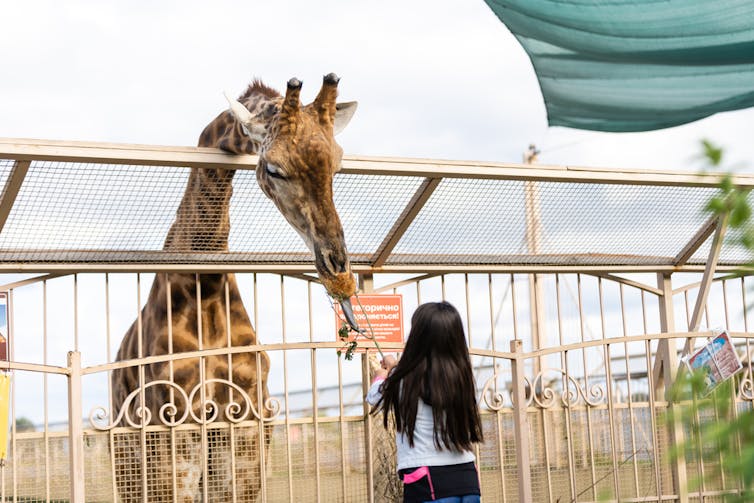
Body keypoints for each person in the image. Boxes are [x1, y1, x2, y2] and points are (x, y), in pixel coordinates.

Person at [367, 301, 483, 503]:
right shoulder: (462, 378)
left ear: (418, 338)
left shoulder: (405, 380)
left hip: (428, 479)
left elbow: (375, 396)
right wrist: (395, 368)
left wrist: (381, 375)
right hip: (467, 478)